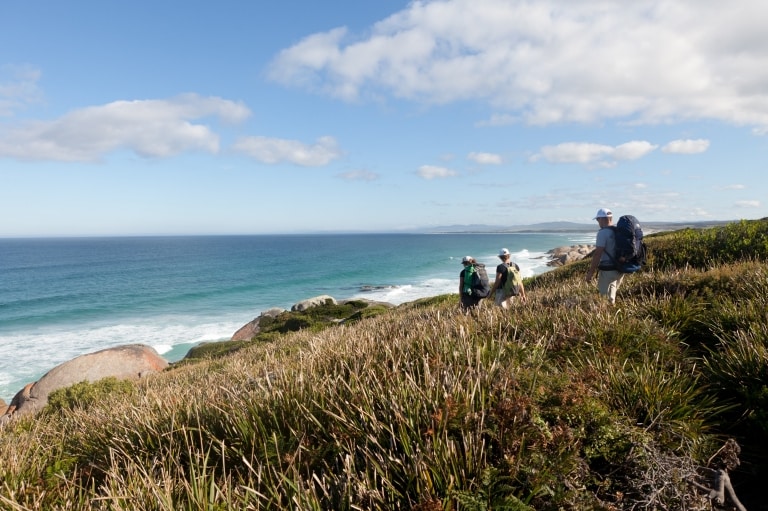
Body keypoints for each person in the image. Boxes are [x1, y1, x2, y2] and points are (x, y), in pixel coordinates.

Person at [585, 208, 623, 304]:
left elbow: (598, 254)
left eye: (598, 219)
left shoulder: (603, 233)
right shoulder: (618, 230)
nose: (598, 222)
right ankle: (614, 313)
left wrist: (591, 273)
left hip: (608, 270)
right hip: (620, 268)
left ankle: (610, 316)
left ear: (602, 219)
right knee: (611, 297)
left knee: (605, 300)